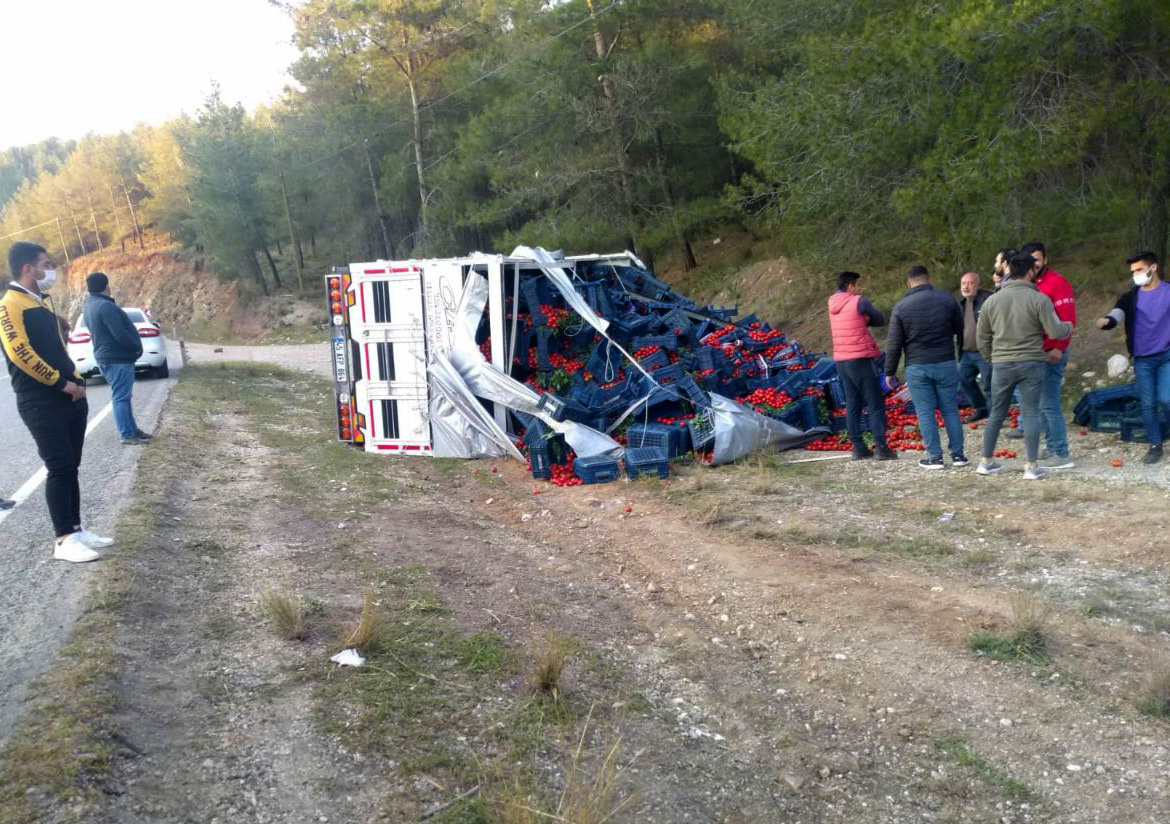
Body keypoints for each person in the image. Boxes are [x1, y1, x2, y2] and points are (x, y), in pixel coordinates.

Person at [1, 242, 113, 562]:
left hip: (70, 397)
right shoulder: (9, 305)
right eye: (46, 264)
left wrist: (77, 379)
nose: (51, 270)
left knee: (71, 467)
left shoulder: (40, 303)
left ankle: (76, 529)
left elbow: (60, 351)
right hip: (41, 401)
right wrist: (62, 384)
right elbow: (20, 354)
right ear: (28, 269)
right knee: (59, 467)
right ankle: (63, 539)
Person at [975, 254, 1073, 480]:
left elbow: (982, 338)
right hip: (1031, 363)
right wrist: (1068, 327)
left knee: (997, 413)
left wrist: (993, 358)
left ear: (1009, 270)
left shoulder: (992, 301)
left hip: (1001, 364)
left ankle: (985, 462)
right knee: (1031, 413)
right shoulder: (1039, 299)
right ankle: (1031, 467)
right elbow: (1056, 331)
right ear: (1030, 271)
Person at [884, 265, 967, 468]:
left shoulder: (901, 307)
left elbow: (894, 343)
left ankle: (935, 457)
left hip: (917, 365)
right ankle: (958, 456)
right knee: (950, 409)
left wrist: (889, 371)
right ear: (928, 279)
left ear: (909, 283)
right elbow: (961, 330)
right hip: (946, 361)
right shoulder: (948, 300)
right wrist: (961, 353)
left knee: (925, 412)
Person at [1096, 251, 1170, 465]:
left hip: (1167, 355)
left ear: (1153, 268)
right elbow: (1117, 314)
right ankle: (1155, 445)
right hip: (1142, 358)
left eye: (1138, 270)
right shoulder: (1130, 297)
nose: (1135, 275)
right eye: (1133, 271)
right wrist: (1107, 321)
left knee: (1166, 399)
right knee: (1147, 404)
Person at [827, 271, 897, 460]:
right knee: (875, 403)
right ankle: (882, 448)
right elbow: (880, 319)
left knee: (852, 404)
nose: (858, 289)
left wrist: (861, 321)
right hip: (860, 359)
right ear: (850, 286)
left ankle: (858, 447)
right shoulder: (859, 301)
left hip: (841, 360)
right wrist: (865, 319)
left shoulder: (831, 303)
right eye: (856, 285)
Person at [1020, 241, 1076, 468]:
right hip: (1033, 352)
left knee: (1049, 403)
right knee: (1038, 404)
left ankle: (1061, 454)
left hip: (1051, 352)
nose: (1034, 264)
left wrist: (1059, 348)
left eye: (1038, 259)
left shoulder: (1057, 283)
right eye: (1030, 260)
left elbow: (1068, 320)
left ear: (1045, 260)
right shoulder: (1026, 285)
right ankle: (1052, 446)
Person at [83, 272, 151, 445]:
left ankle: (132, 429)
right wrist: (135, 347)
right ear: (106, 286)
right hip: (116, 358)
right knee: (121, 396)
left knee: (123, 395)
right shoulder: (105, 306)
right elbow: (119, 333)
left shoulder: (90, 305)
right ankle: (127, 434)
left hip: (108, 356)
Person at [957, 271, 994, 422]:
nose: (966, 287)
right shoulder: (960, 304)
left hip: (984, 351)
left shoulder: (988, 300)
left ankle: (994, 415)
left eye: (970, 283)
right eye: (963, 283)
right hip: (965, 352)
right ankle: (981, 408)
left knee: (989, 383)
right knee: (963, 379)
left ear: (977, 285)